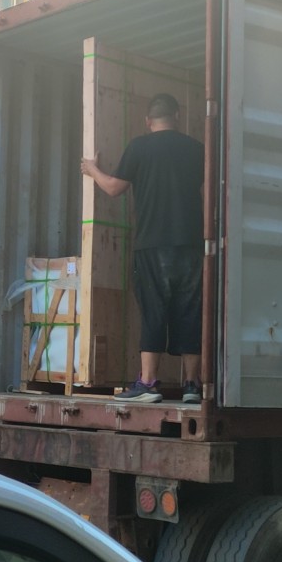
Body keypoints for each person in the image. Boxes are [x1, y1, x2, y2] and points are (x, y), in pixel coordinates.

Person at [81, 93, 203, 404]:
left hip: (152, 245)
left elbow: (114, 188)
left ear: (148, 121)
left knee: (154, 310)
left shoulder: (139, 147)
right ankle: (192, 385)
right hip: (191, 244)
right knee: (190, 310)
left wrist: (92, 169)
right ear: (177, 116)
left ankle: (148, 383)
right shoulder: (196, 149)